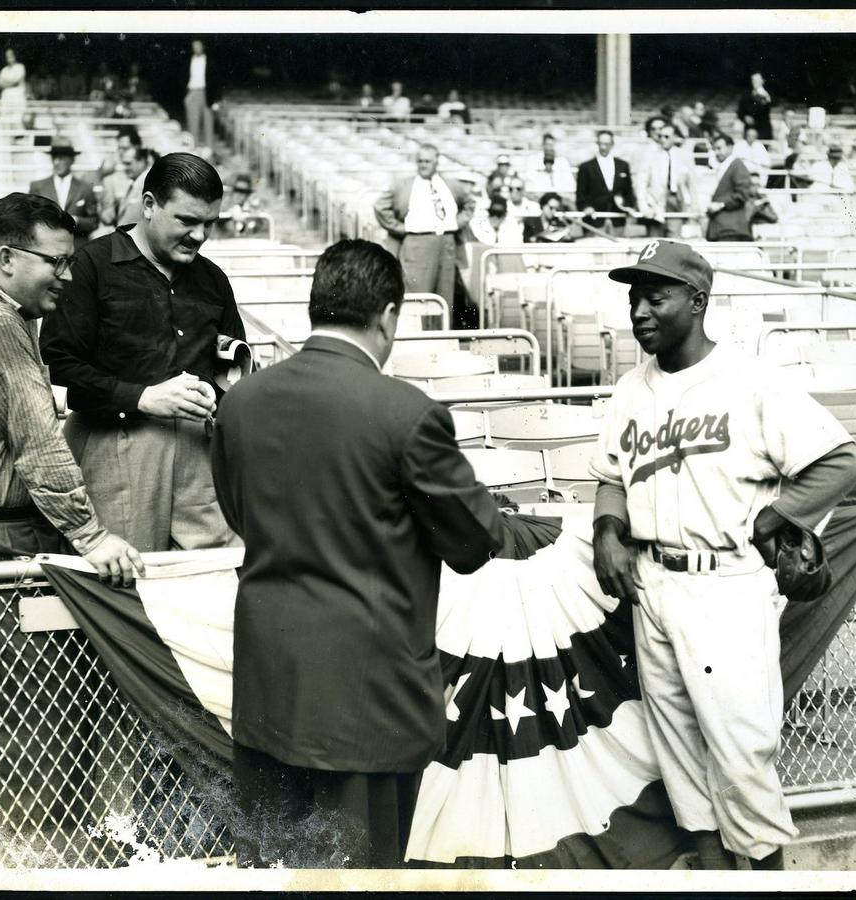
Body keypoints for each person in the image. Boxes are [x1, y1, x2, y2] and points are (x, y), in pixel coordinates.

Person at [211, 238, 529, 868]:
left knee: (276, 873)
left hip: (270, 685)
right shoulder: (405, 412)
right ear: (388, 316)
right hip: (367, 698)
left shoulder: (241, 402)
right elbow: (474, 543)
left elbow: (239, 513)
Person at [589, 239, 856, 870]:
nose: (640, 312)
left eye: (656, 296)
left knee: (741, 755)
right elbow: (610, 472)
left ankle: (767, 882)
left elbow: (842, 461)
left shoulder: (751, 381)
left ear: (698, 300)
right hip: (653, 584)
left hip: (725, 584)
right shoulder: (632, 387)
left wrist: (775, 515)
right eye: (635, 297)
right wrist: (608, 528)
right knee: (680, 757)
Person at [0, 192, 145, 825]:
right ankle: (43, 863)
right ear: (9, 258)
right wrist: (93, 538)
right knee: (35, 726)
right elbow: (39, 447)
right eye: (57, 264)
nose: (68, 279)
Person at [40, 152, 246, 553]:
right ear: (149, 205)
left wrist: (221, 392)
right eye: (187, 221)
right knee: (126, 584)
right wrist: (143, 397)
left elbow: (232, 358)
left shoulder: (212, 279)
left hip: (198, 451)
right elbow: (59, 365)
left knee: (216, 577)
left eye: (209, 224)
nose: (200, 236)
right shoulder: (91, 266)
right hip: (115, 443)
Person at [373, 142, 474, 310]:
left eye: (427, 161)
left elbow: (469, 204)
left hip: (446, 242)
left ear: (436, 162)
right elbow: (380, 206)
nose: (423, 165)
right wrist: (399, 227)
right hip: (417, 242)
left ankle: (443, 335)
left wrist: (457, 222)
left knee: (444, 296)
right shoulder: (403, 185)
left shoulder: (451, 185)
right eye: (420, 161)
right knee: (417, 294)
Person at [29, 138, 99, 246]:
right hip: (46, 248)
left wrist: (76, 221)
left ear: (72, 160)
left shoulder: (85, 188)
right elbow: (29, 220)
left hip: (76, 248)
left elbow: (93, 222)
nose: (56, 162)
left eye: (61, 158)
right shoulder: (38, 187)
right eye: (54, 157)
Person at [634, 122, 695, 238]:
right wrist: (644, 206)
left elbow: (691, 184)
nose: (662, 139)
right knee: (656, 243)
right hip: (655, 204)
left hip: (676, 202)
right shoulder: (650, 155)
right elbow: (641, 183)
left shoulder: (683, 155)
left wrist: (691, 206)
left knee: (674, 242)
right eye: (660, 136)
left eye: (666, 137)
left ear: (675, 137)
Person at [576, 129, 637, 235]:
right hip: (594, 219)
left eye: (606, 144)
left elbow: (628, 191)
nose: (603, 147)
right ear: (597, 144)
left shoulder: (623, 165)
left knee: (618, 249)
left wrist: (628, 207)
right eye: (600, 143)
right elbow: (580, 193)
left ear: (612, 144)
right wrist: (586, 207)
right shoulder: (585, 167)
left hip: (617, 219)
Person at [704, 134, 754, 242]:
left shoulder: (737, 165)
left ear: (730, 147)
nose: (716, 152)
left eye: (719, 148)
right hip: (724, 227)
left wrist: (721, 205)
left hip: (731, 227)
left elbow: (743, 193)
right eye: (714, 149)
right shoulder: (727, 166)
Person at [106, 145, 153, 228]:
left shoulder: (148, 183)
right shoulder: (136, 183)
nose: (125, 168)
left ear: (141, 162)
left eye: (128, 163)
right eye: (124, 164)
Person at [184, 39, 214, 149]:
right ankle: (194, 149)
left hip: (207, 93)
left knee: (208, 124)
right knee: (193, 123)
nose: (196, 48)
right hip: (192, 91)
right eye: (194, 46)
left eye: (198, 46)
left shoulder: (210, 61)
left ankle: (209, 151)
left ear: (203, 47)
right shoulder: (188, 60)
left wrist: (217, 100)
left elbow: (217, 81)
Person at [736, 71, 773, 140]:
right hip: (749, 131)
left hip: (763, 131)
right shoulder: (746, 95)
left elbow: (769, 106)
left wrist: (764, 95)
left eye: (757, 80)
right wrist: (745, 117)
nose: (754, 82)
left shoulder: (768, 94)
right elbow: (740, 111)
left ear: (762, 81)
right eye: (753, 79)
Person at [0, 47, 26, 124]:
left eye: (10, 55)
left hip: (17, 98)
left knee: (17, 120)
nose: (9, 58)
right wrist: (9, 83)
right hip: (5, 99)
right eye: (7, 56)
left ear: (15, 56)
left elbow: (16, 82)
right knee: (5, 120)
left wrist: (5, 83)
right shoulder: (4, 70)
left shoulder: (20, 67)